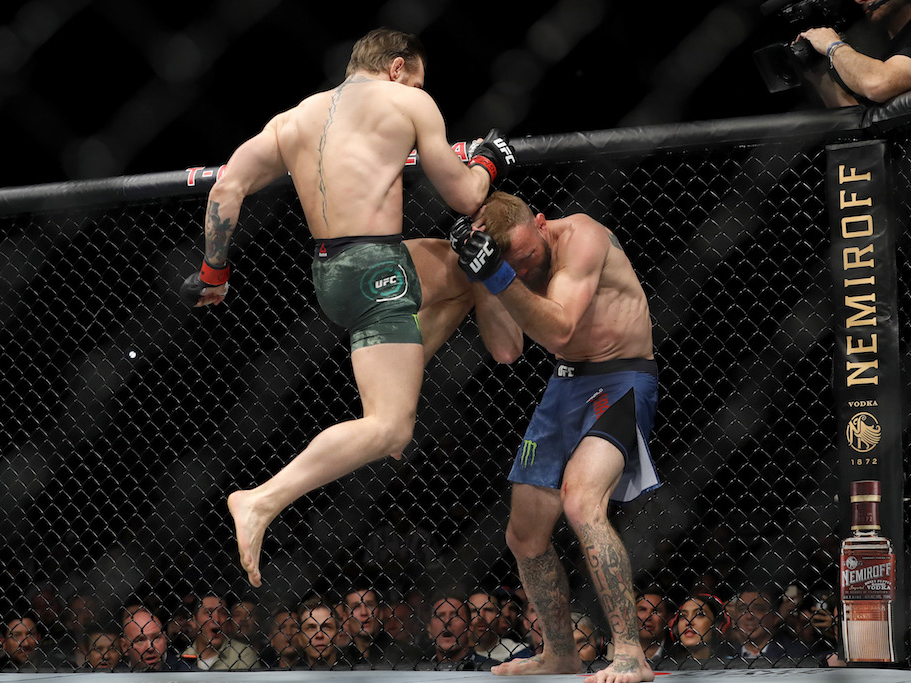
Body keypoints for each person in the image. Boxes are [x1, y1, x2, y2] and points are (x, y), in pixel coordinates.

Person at [177, 27, 519, 590]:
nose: (419, 90)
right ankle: (261, 500)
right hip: (378, 268)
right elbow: (466, 196)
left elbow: (226, 189)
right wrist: (487, 163)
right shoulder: (407, 101)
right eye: (417, 79)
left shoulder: (293, 118)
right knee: (390, 430)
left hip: (329, 272)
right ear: (397, 67)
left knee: (462, 272)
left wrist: (215, 271)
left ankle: (405, 370)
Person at [454, 190, 659, 683]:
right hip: (565, 385)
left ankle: (631, 653)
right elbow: (507, 350)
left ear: (541, 223)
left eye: (528, 256)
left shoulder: (583, 236)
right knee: (523, 534)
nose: (525, 268)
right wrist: (483, 276)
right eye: (514, 265)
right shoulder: (505, 267)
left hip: (621, 376)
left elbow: (563, 329)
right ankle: (560, 653)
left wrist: (500, 273)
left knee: (581, 502)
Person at [795, 0, 911, 107]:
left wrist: (832, 45)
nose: (859, 0)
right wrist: (817, 74)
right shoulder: (882, 43)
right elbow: (859, 118)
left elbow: (876, 85)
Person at [180, 595, 259, 670]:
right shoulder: (181, 658)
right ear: (194, 621)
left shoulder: (243, 654)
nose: (216, 619)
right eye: (209, 612)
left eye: (222, 612)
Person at [120, 608, 189, 671]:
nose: (150, 647)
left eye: (156, 638)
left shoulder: (186, 673)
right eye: (140, 640)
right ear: (125, 647)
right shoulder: (116, 674)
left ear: (165, 639)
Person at [635, 592, 672, 666]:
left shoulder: (680, 654)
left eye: (655, 611)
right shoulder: (616, 650)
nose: (648, 617)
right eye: (642, 609)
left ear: (668, 618)